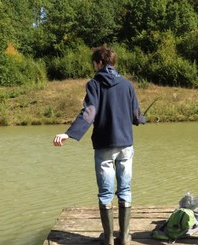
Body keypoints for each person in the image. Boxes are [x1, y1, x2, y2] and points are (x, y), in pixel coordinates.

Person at [53, 45, 146, 245]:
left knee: (105, 193)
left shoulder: (94, 84)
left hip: (104, 146)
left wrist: (69, 134)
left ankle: (109, 241)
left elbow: (89, 112)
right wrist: (141, 119)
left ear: (100, 63)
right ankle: (124, 238)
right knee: (125, 190)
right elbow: (136, 113)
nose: (94, 67)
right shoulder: (127, 85)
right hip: (125, 146)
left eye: (94, 63)